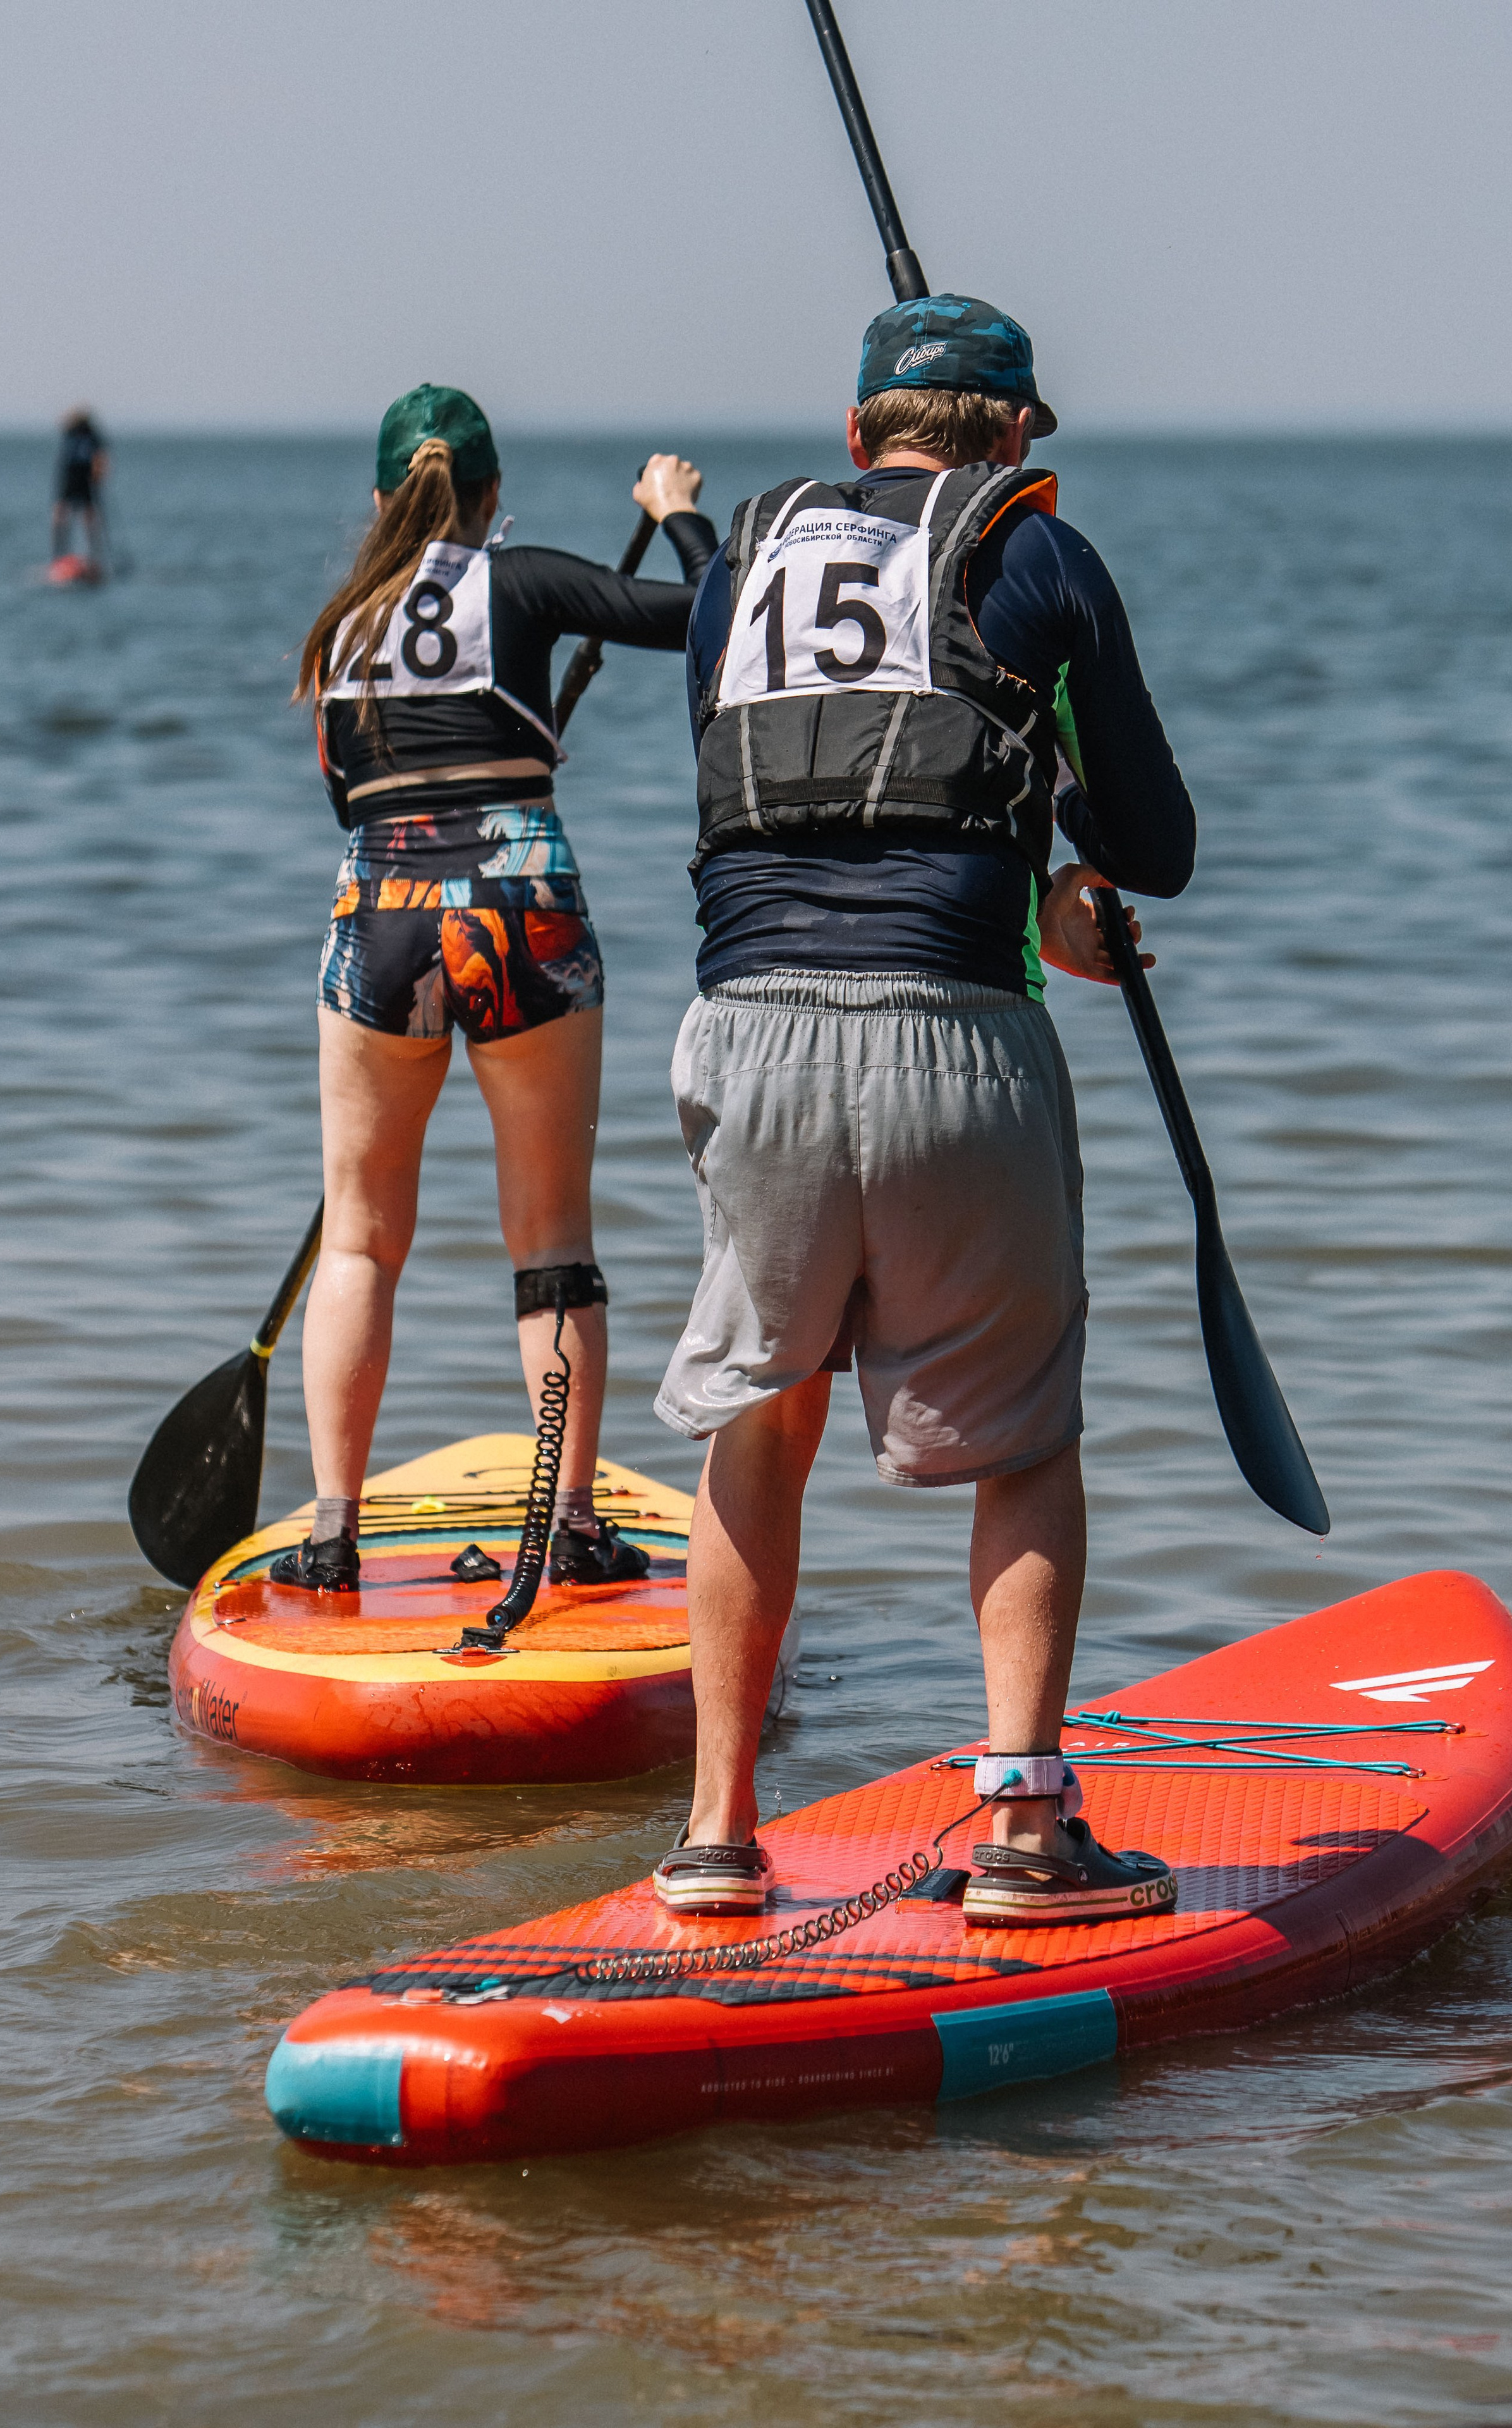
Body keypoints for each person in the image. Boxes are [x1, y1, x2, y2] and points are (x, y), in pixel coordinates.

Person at [652, 297, 1196, 1925]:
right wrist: (1058, 886)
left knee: (761, 1414)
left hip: (743, 1038)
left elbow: (797, 801)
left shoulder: (736, 567)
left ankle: (714, 1834)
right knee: (1020, 1436)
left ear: (854, 436)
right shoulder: (1039, 550)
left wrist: (1025, 876)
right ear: (1015, 436)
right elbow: (1153, 841)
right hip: (956, 1044)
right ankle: (1022, 1832)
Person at [274, 384, 716, 1592]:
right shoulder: (523, 584)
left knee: (360, 1238)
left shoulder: (336, 632)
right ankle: (569, 1526)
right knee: (552, 1240)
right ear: (493, 495)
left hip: (382, 914)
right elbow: (717, 617)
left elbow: (350, 797)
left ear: (382, 500)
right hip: (523, 906)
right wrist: (676, 512)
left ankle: (331, 1536)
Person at [50, 408, 107, 568]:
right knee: (61, 514)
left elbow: (101, 458)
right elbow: (60, 422)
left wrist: (99, 476)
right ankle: (59, 555)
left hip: (86, 479)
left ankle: (94, 555)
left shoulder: (92, 436)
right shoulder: (69, 433)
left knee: (89, 516)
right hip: (69, 478)